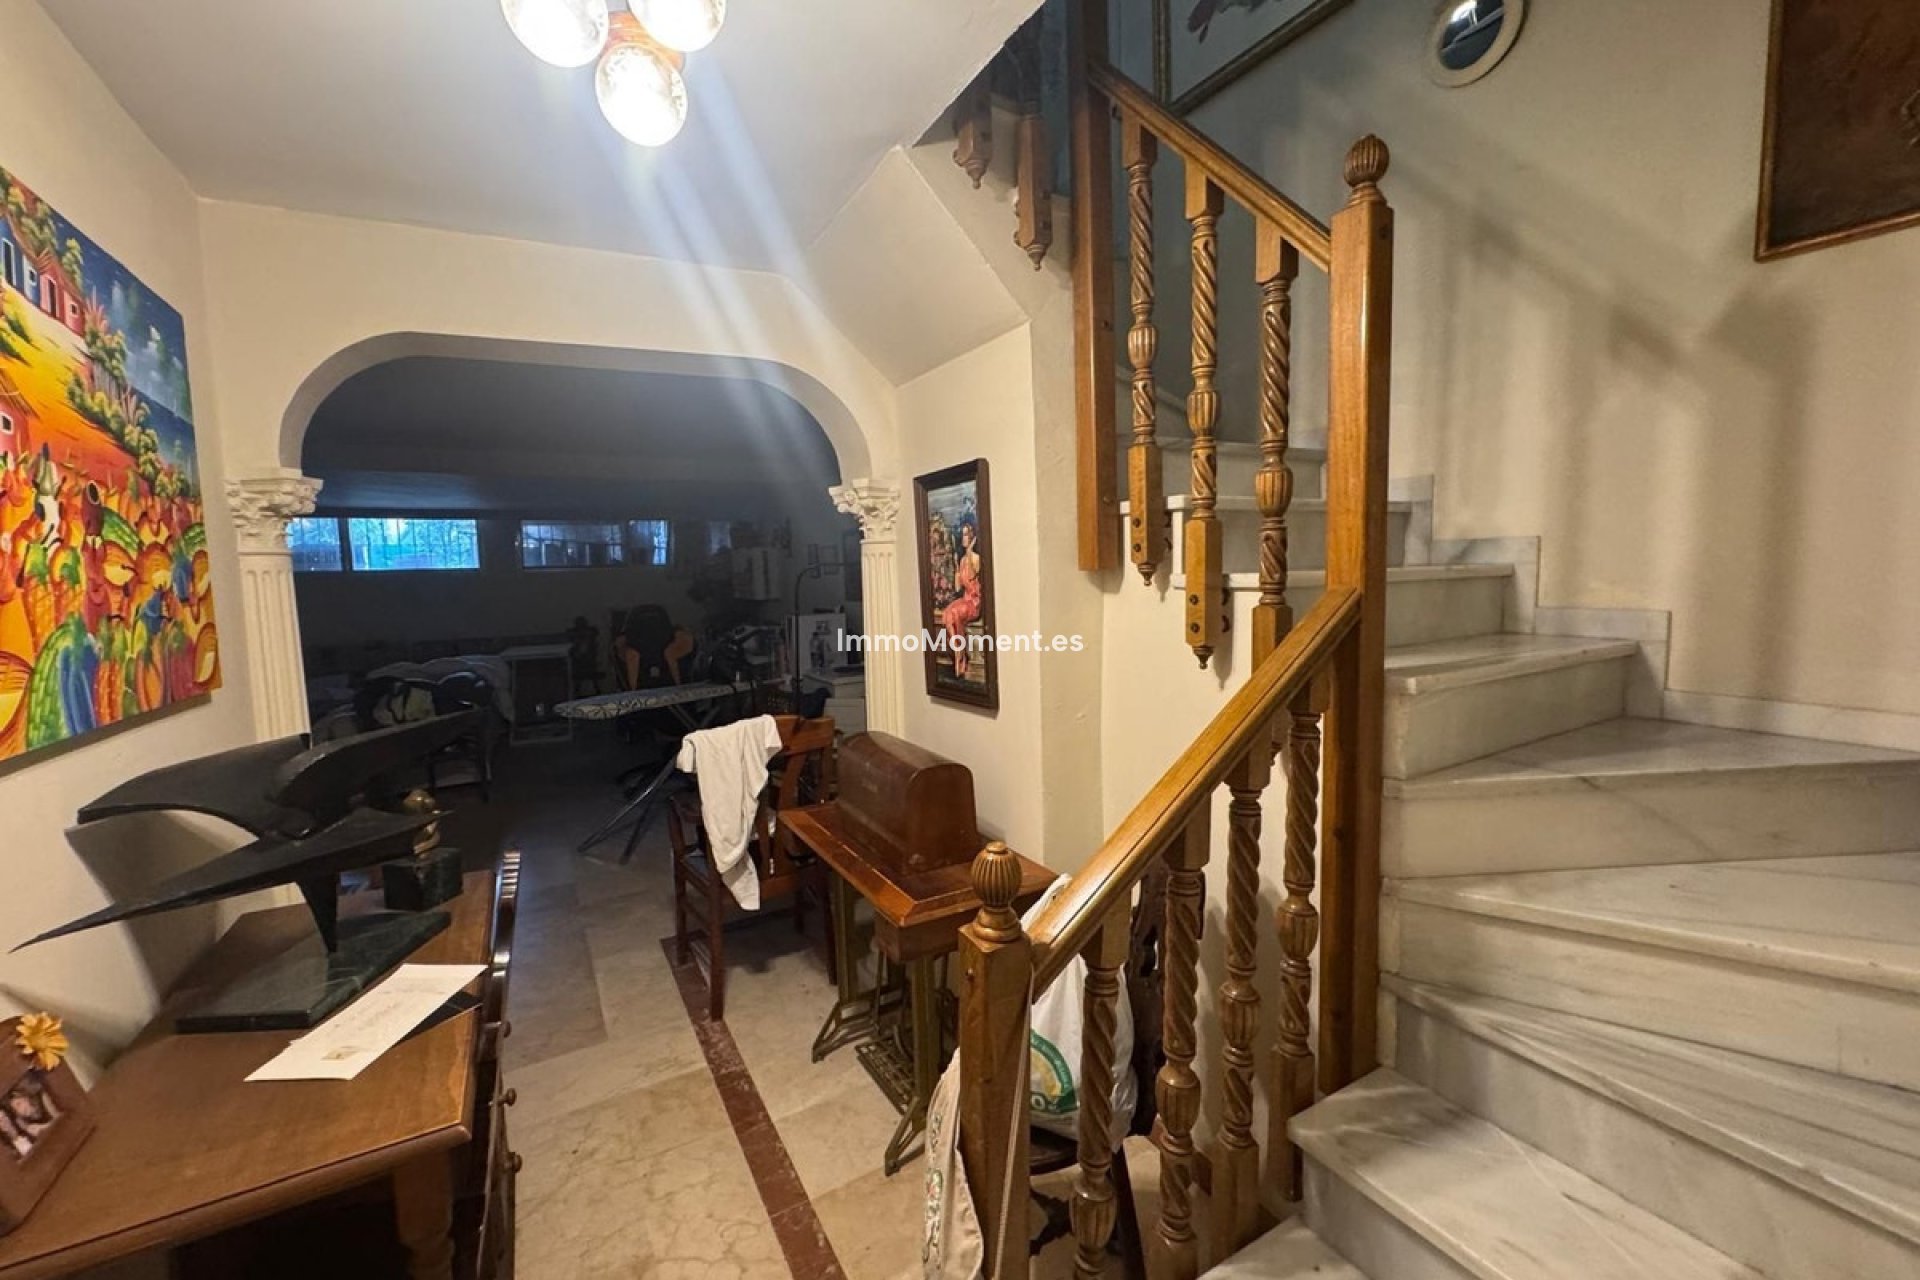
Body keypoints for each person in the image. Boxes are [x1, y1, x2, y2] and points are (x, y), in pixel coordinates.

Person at [939, 516, 984, 679]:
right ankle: (959, 650)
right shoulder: (963, 559)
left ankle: (960, 656)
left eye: (966, 534)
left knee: (955, 612)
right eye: (962, 535)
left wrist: (970, 552)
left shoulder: (976, 558)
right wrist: (957, 568)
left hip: (975, 601)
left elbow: (972, 576)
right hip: (965, 598)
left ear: (972, 536)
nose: (963, 538)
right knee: (947, 613)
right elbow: (958, 588)